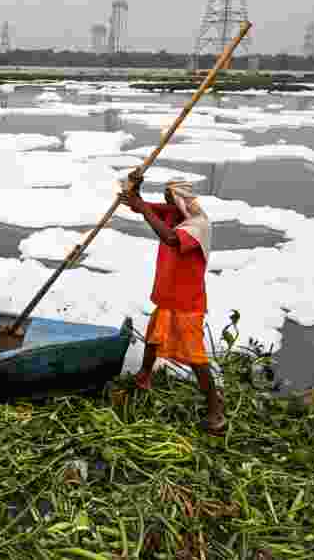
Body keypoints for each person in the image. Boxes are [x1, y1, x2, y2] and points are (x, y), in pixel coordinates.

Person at [118, 170, 225, 435]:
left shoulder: (198, 225)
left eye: (170, 199)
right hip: (169, 296)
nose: (166, 204)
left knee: (196, 357)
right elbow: (133, 202)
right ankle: (143, 378)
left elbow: (170, 238)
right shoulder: (173, 215)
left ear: (182, 201)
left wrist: (144, 209)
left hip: (187, 302)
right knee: (155, 337)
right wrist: (135, 186)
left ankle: (215, 411)